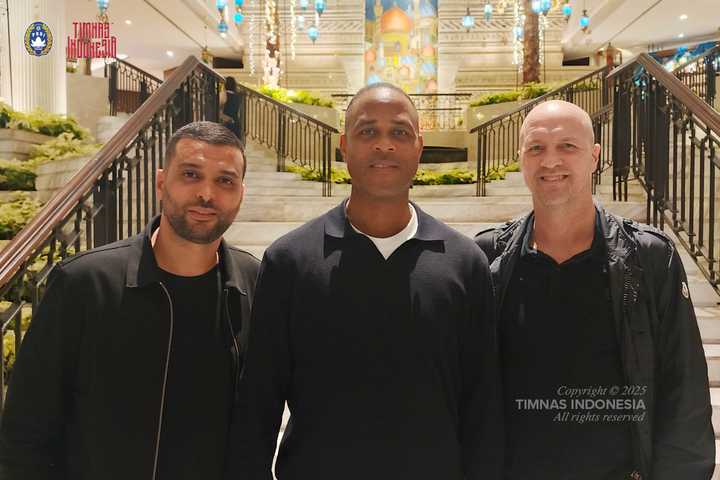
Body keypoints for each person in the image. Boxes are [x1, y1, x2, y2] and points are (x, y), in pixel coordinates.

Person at [225, 82, 502, 480]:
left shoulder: (465, 263)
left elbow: (482, 406)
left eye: (399, 132)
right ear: (344, 146)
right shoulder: (289, 260)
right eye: (368, 131)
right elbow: (259, 403)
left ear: (419, 147)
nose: (384, 144)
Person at [0, 121, 260, 480]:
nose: (207, 193)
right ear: (160, 183)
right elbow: (25, 432)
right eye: (190, 174)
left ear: (240, 194)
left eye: (225, 181)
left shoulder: (254, 282)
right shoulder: (85, 283)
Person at [475, 100, 715, 480]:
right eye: (536, 147)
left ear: (594, 157)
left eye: (567, 146)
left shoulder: (649, 257)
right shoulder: (486, 257)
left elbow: (685, 393)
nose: (550, 160)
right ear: (521, 158)